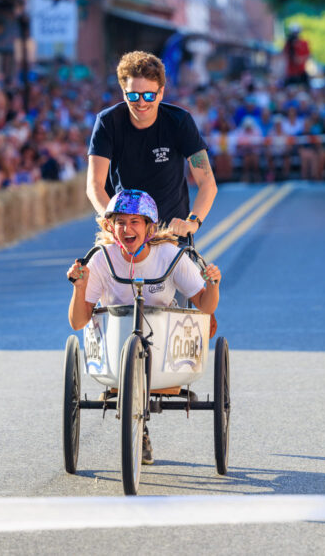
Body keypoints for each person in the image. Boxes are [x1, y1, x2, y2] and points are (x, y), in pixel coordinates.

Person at [66, 189, 222, 466]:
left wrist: (213, 284)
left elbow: (206, 307)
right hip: (117, 347)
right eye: (120, 222)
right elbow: (79, 322)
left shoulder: (170, 256)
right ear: (111, 228)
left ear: (149, 228)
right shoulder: (101, 259)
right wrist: (79, 288)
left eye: (135, 222)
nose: (127, 229)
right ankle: (137, 422)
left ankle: (139, 421)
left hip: (163, 349)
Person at [86, 51, 217, 236]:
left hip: (169, 233)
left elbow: (207, 182)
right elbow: (94, 185)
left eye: (149, 95)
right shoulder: (107, 122)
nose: (141, 102)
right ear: (124, 94)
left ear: (161, 92)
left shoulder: (179, 121)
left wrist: (192, 223)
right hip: (126, 233)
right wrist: (111, 219)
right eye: (133, 96)